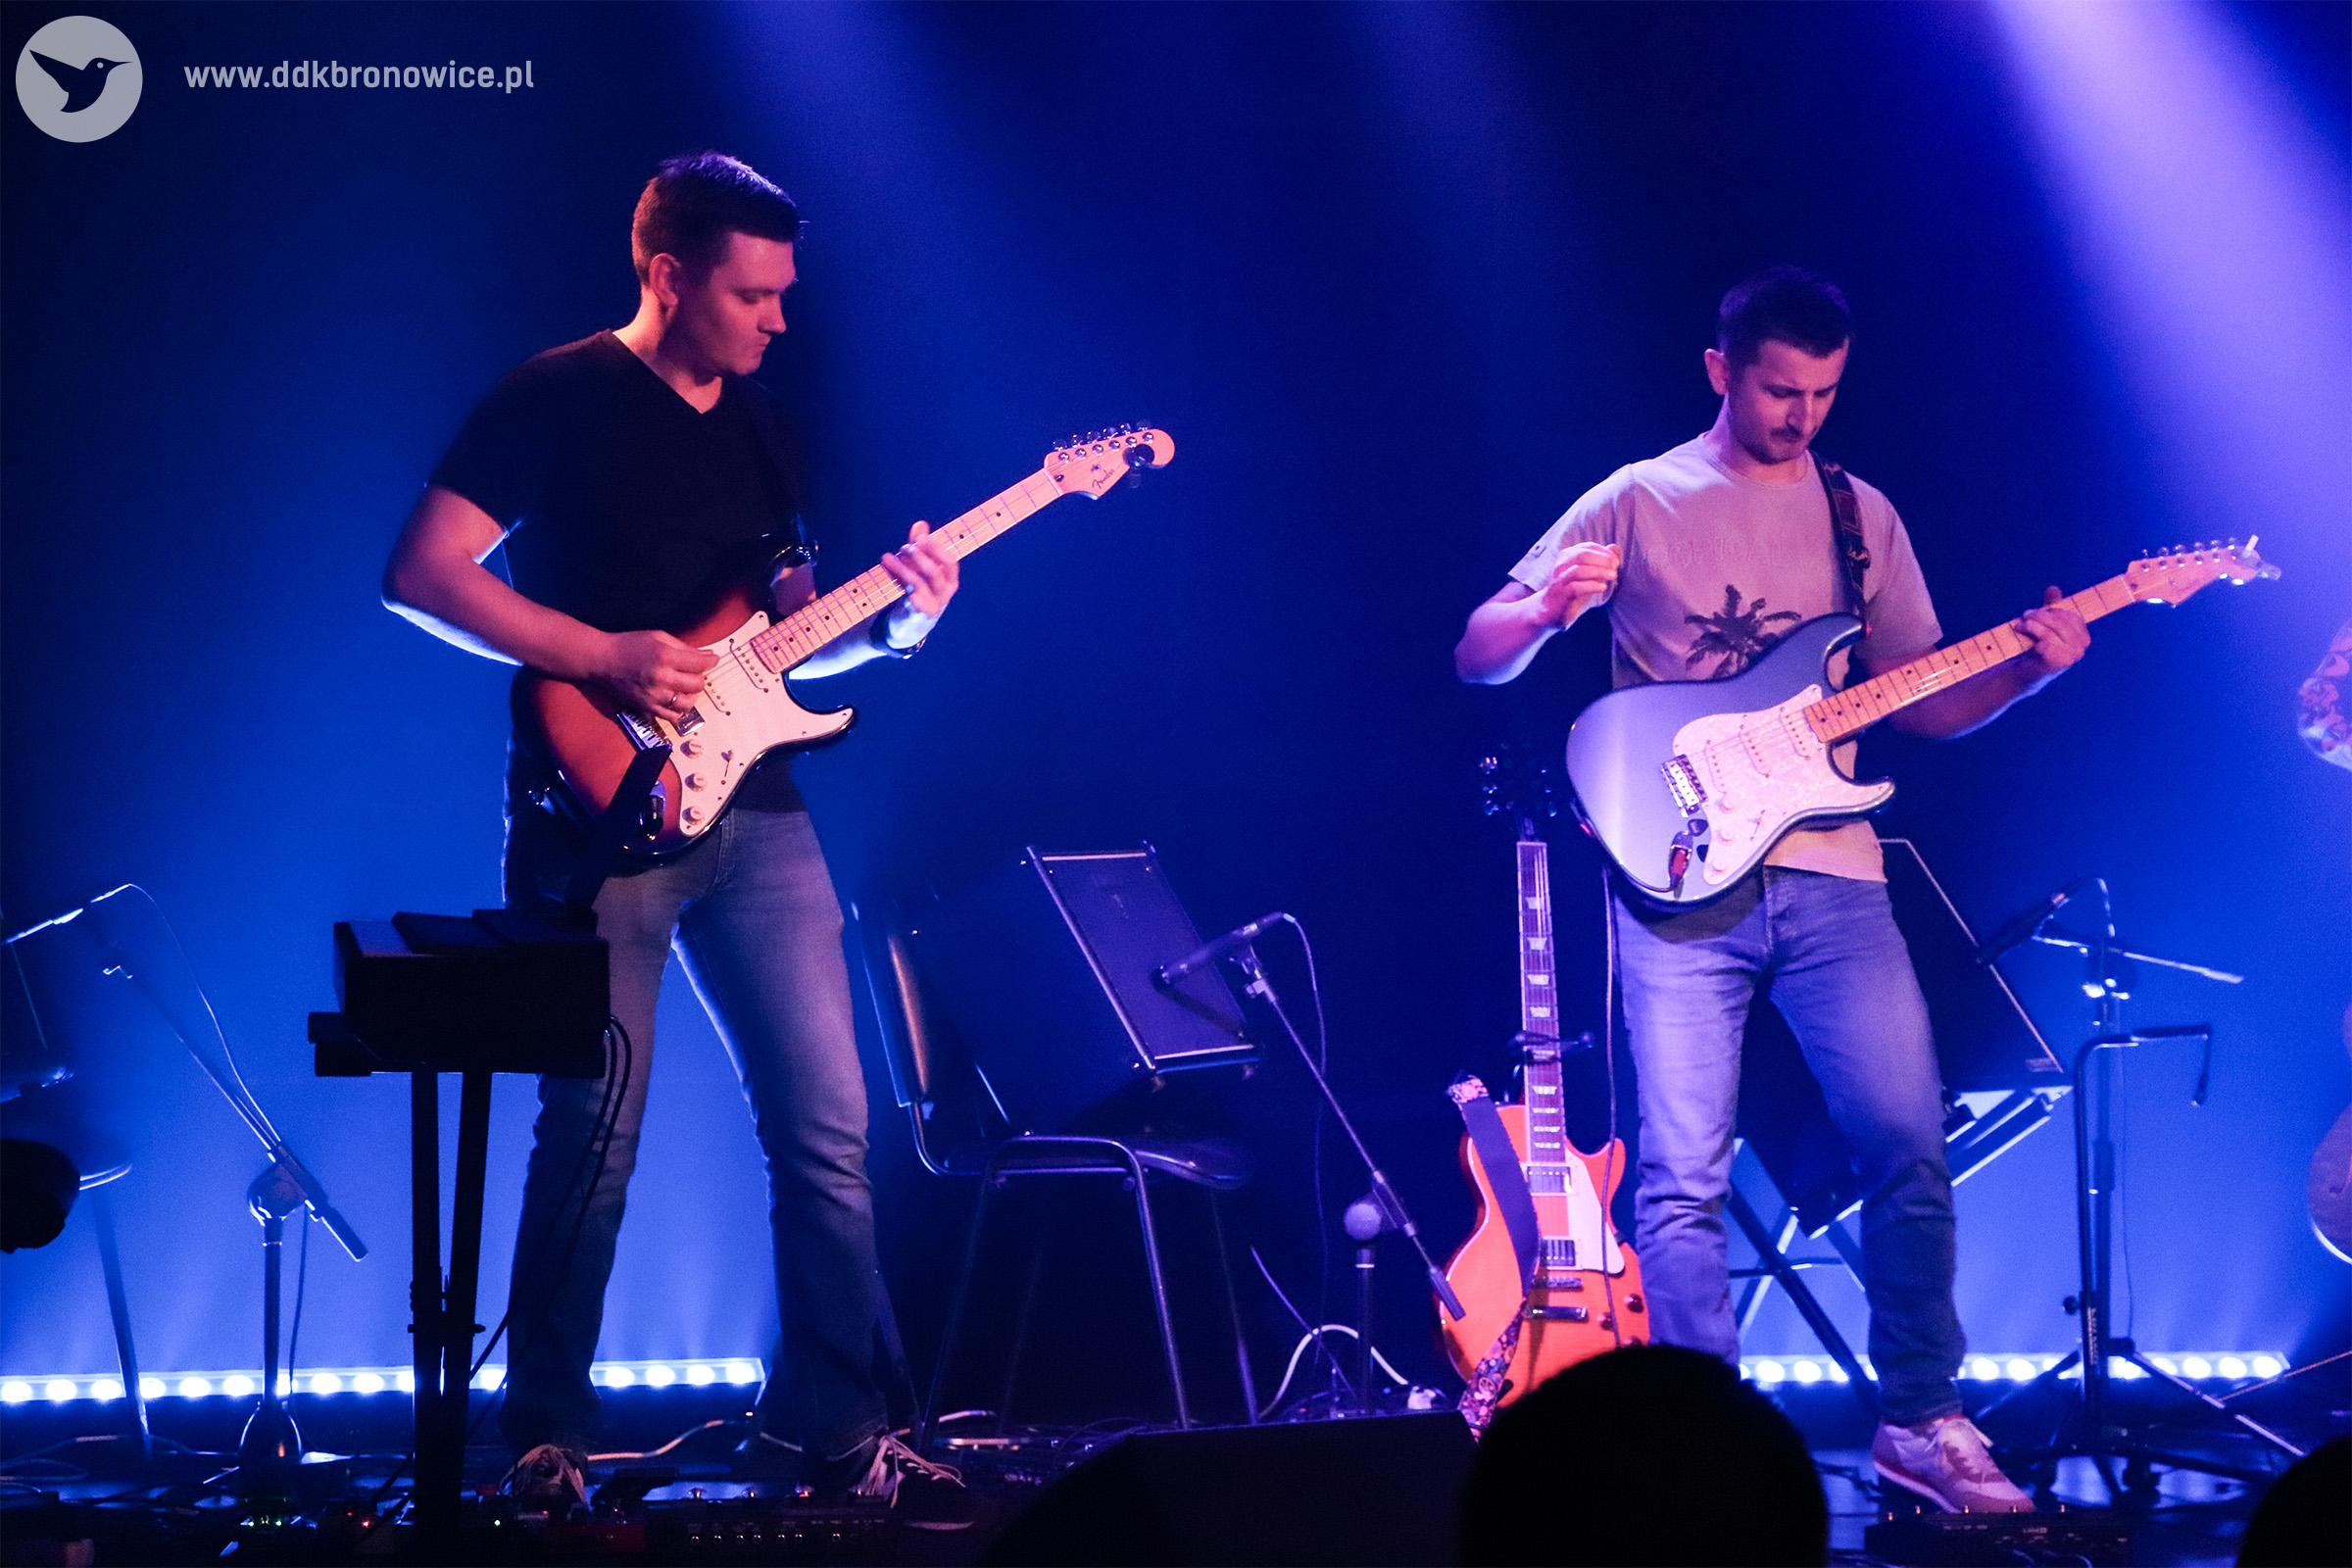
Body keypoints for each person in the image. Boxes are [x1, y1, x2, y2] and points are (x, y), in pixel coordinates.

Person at [382, 152, 972, 1527]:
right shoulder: (553, 395)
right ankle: (546, 1441)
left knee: (829, 1127)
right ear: (668, 273)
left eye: (784, 293)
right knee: (593, 1129)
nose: (779, 318)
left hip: (760, 810)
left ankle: (845, 1432)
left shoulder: (768, 426)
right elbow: (419, 573)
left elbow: (794, 641)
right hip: (598, 808)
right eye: (754, 294)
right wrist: (602, 653)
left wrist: (899, 625)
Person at [1454, 267, 2088, 1513]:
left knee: (1909, 1143)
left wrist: (2028, 670)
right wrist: (1538, 616)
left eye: (1824, 394)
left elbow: (1921, 697)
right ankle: (1702, 1454)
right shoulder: (1639, 496)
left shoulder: (1861, 513)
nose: (1802, 416)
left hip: (1836, 874)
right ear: (1721, 370)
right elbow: (1478, 652)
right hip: (1680, 880)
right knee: (1683, 1176)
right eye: (1779, 390)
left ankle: (1922, 1420)